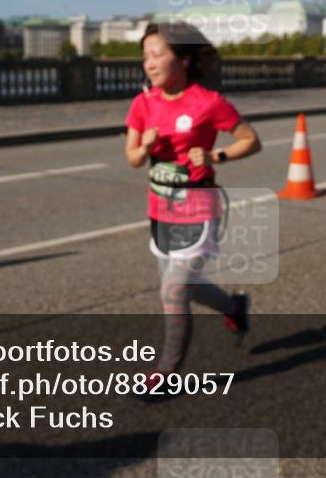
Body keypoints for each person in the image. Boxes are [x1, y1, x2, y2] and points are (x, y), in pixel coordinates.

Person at [124, 21, 261, 397]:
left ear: (183, 59)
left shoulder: (208, 102)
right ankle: (234, 305)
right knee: (180, 288)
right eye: (145, 57)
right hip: (160, 209)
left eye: (157, 55)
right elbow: (132, 158)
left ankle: (166, 372)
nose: (148, 64)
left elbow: (251, 140)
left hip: (199, 206)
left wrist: (217, 154)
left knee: (173, 289)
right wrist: (146, 147)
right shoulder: (142, 103)